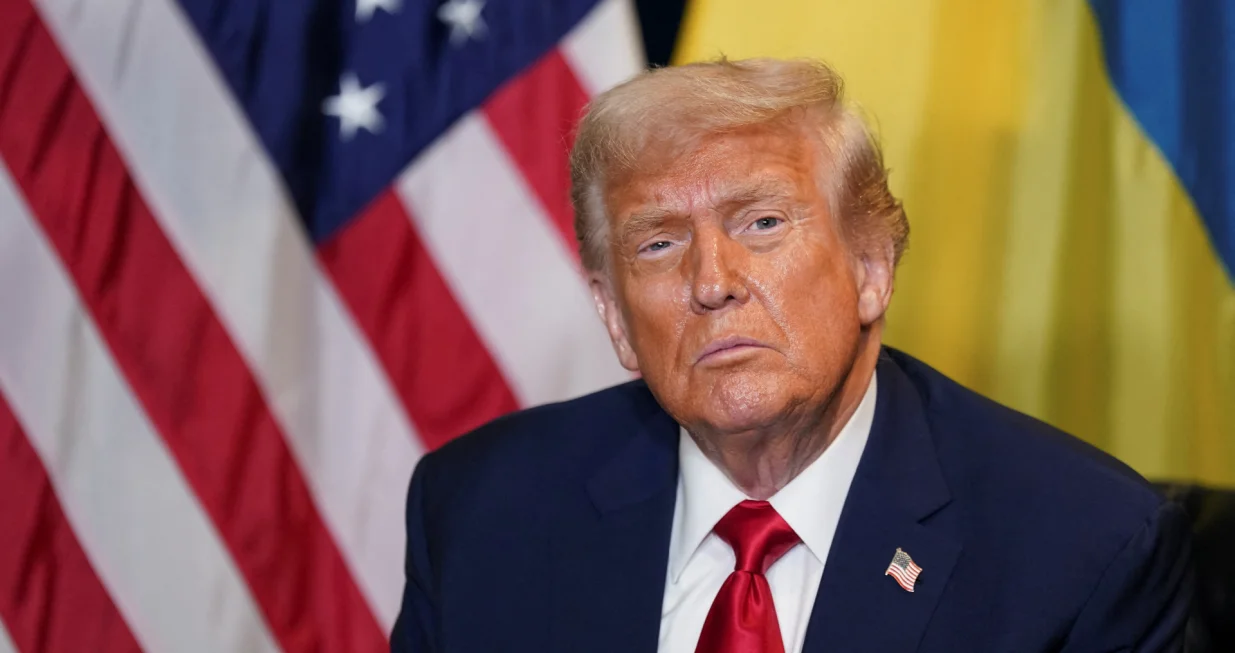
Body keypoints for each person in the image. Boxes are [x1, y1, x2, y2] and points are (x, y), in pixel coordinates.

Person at [390, 58, 1193, 653]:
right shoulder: (481, 511)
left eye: (762, 223)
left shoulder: (1078, 545)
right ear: (614, 316)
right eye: (659, 242)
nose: (711, 282)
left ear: (870, 268)